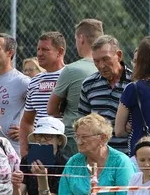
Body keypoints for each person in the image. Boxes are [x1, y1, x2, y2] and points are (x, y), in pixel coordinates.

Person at [47, 19, 102, 155]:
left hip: (74, 137)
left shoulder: (71, 70)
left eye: (76, 39)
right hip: (101, 136)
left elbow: (51, 109)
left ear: (81, 38)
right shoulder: (109, 69)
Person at [78, 35, 133, 155]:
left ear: (118, 55)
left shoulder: (135, 83)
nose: (101, 66)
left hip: (128, 155)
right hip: (97, 156)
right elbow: (82, 122)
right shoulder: (88, 85)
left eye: (105, 59)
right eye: (96, 61)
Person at [19, 31, 67, 157]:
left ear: (60, 52)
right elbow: (26, 121)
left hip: (66, 149)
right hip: (40, 150)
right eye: (38, 49)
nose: (39, 53)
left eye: (45, 49)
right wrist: (25, 153)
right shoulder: (35, 80)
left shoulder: (71, 75)